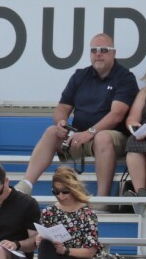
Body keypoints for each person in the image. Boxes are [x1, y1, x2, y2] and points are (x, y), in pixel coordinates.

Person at [20, 33, 138, 195]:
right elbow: (62, 107)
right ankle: (25, 185)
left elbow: (117, 115)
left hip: (112, 139)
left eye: (104, 50)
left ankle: (102, 199)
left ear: (114, 53)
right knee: (51, 131)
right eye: (93, 50)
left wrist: (89, 133)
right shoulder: (80, 76)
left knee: (102, 137)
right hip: (79, 137)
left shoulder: (125, 78)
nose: (98, 54)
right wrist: (61, 122)